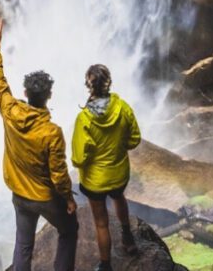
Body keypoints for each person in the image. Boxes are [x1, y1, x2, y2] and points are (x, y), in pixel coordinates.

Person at [0, 17, 78, 271]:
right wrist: (69, 199)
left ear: (25, 94)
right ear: (49, 96)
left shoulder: (10, 111)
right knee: (69, 230)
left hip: (19, 193)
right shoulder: (52, 132)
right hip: (45, 197)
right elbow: (58, 174)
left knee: (23, 243)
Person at [71, 64, 142, 271]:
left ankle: (105, 265)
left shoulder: (84, 119)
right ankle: (127, 236)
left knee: (101, 223)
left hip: (95, 181)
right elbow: (135, 139)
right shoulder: (123, 108)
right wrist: (119, 148)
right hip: (119, 173)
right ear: (109, 82)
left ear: (89, 85)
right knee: (119, 198)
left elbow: (77, 158)